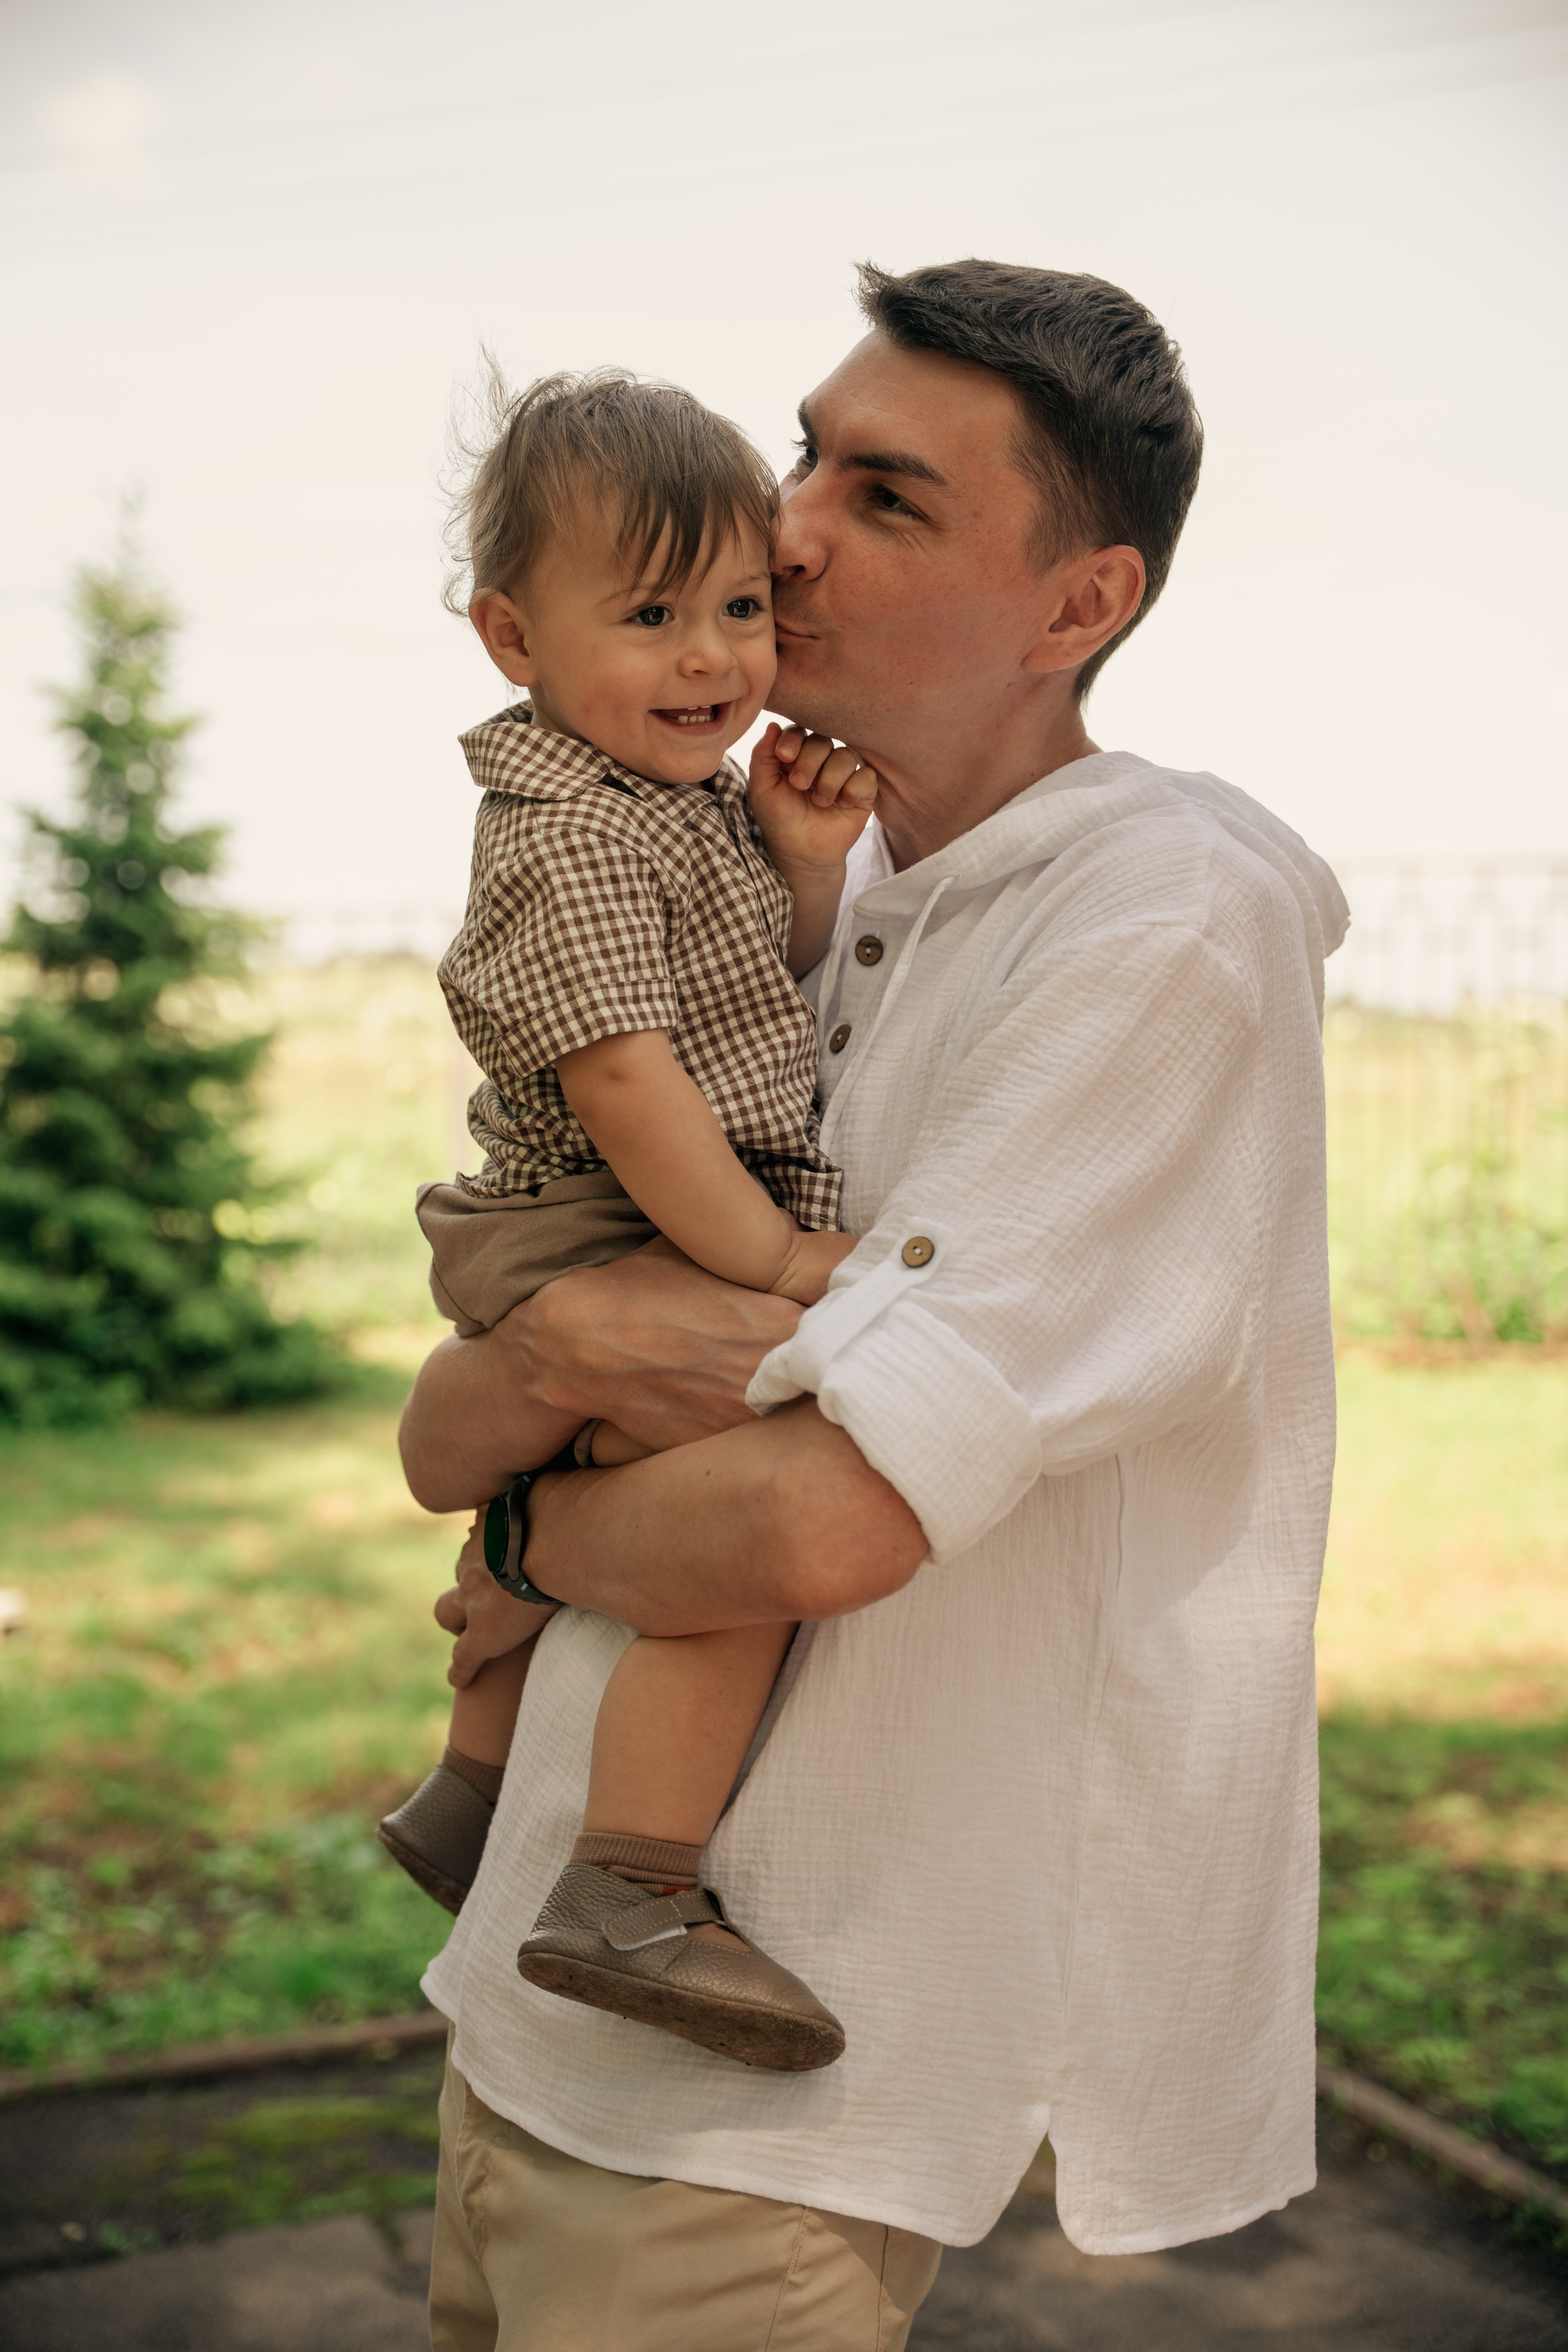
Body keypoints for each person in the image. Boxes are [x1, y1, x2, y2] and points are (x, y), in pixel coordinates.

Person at [400, 258, 1349, 2351]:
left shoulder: (1159, 920)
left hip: (752, 2135)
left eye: (889, 496)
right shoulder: (800, 903)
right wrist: (549, 1374)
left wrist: (531, 1517)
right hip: (521, 2054)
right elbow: (443, 1419)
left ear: (1078, 605)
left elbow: (820, 1518)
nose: (788, 523)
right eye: (806, 453)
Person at [379, 367, 884, 2073]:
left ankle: (469, 1792)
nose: (711, 659)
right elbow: (628, 1085)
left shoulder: (668, 811)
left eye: (742, 607)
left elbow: (746, 1012)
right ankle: (634, 1884)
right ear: (513, 638)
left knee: (616, 1486)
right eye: (652, 612)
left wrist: (805, 872)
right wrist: (763, 1258)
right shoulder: (572, 834)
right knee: (722, 1543)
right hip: (596, 1211)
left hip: (626, 1206)